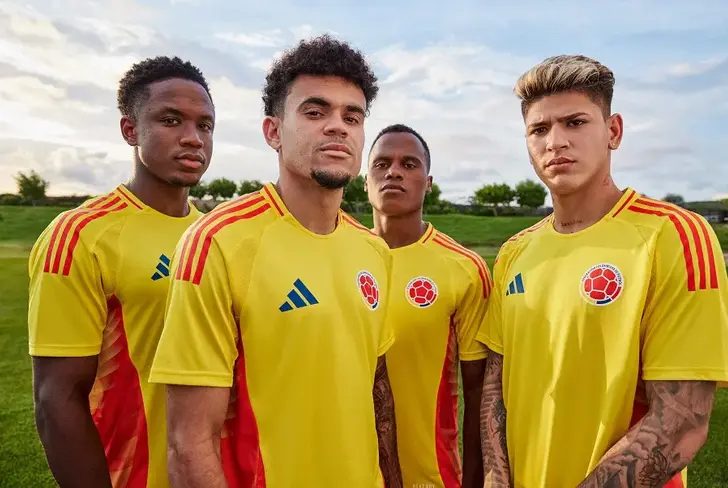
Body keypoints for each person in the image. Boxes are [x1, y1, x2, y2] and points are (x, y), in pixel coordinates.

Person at [149, 34, 403, 488]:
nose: (338, 126)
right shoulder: (218, 242)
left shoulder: (373, 251)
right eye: (315, 111)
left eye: (352, 116)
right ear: (273, 132)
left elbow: (375, 398)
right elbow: (189, 445)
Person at [477, 53, 728, 488]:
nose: (555, 141)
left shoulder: (672, 235)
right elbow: (496, 388)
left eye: (575, 123)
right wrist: (498, 479)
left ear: (613, 132)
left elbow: (681, 421)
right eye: (539, 129)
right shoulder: (514, 252)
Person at [27, 56, 215, 488]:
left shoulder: (213, 236)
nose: (192, 138)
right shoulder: (80, 235)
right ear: (130, 130)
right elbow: (57, 398)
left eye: (205, 125)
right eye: (171, 120)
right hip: (133, 474)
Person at [365, 124, 490, 488]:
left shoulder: (464, 268)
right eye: (382, 163)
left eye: (409, 164)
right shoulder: (339, 256)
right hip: (344, 469)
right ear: (365, 179)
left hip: (429, 475)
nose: (394, 172)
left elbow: (478, 394)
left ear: (428, 182)